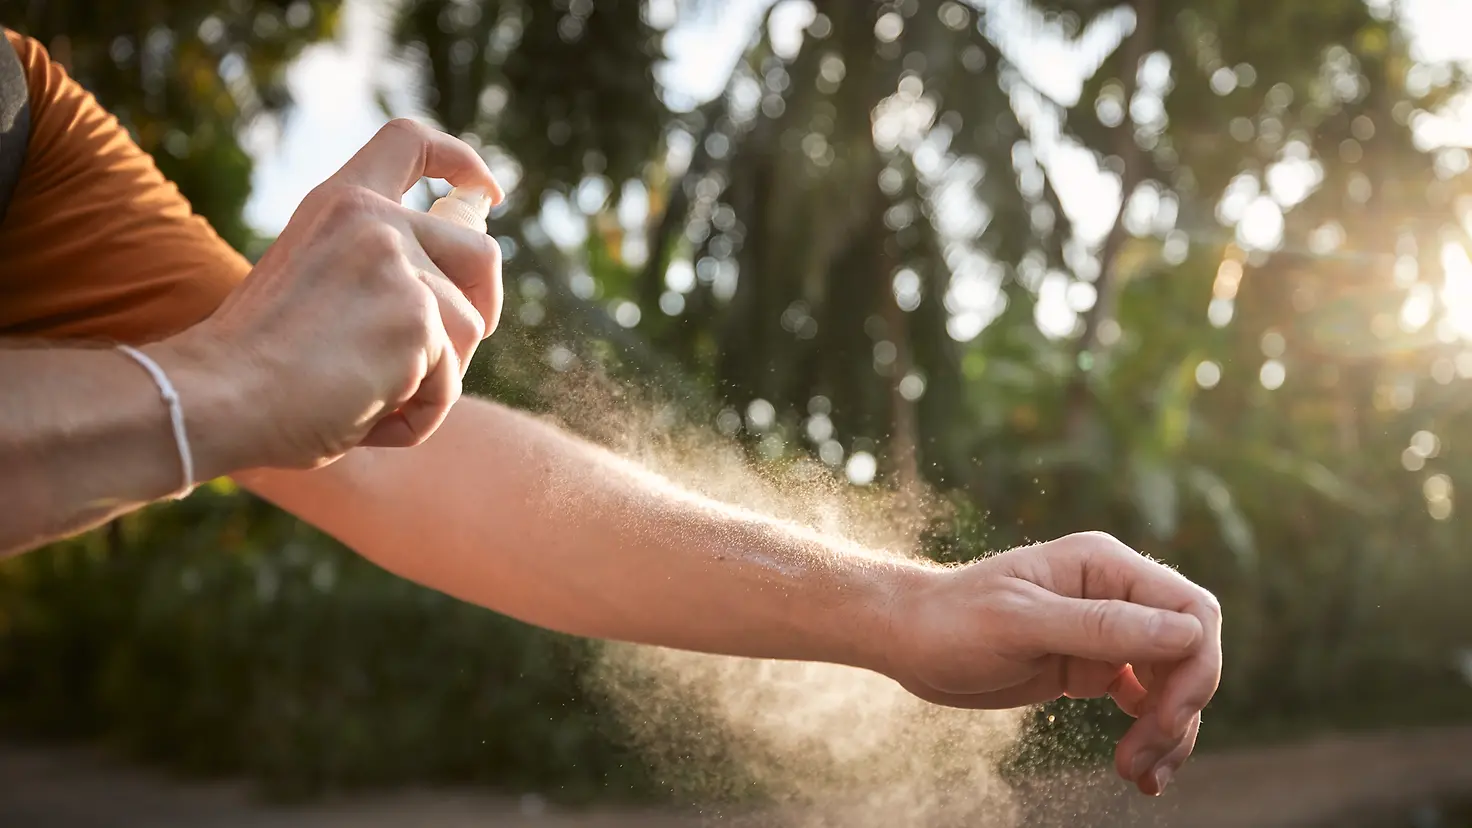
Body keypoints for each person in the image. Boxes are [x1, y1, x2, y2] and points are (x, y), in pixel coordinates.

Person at [0, 29, 1219, 797]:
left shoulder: (30, 122)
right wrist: (218, 390)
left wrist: (906, 604)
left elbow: (394, 459)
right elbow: (238, 391)